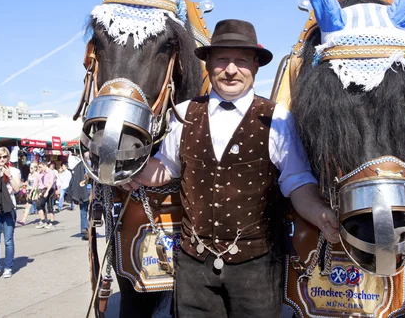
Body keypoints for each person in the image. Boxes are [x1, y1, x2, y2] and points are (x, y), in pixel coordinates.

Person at [124, 19, 340, 317]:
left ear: (255, 66)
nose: (230, 69)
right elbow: (166, 167)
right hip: (193, 264)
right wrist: (131, 171)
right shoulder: (184, 113)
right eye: (222, 59)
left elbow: (297, 180)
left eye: (241, 61)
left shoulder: (276, 117)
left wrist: (319, 212)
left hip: (257, 266)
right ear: (209, 63)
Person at [0, 147, 22, 279]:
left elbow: (17, 188)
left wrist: (9, 175)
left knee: (8, 240)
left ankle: (8, 267)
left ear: (8, 157)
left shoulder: (14, 171)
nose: (2, 160)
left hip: (9, 208)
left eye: (4, 157)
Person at [67, 154, 91, 240]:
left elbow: (73, 180)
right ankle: (87, 228)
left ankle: (85, 228)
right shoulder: (92, 164)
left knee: (84, 211)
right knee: (90, 210)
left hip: (83, 191)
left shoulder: (78, 166)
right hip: (89, 190)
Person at [35, 162, 57, 229]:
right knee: (39, 204)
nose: (39, 168)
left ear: (45, 166)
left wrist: (47, 191)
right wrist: (37, 192)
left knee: (49, 206)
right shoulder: (40, 173)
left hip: (50, 189)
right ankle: (43, 220)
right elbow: (37, 183)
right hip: (42, 190)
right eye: (38, 167)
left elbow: (51, 183)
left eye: (40, 167)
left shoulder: (50, 172)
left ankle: (52, 222)